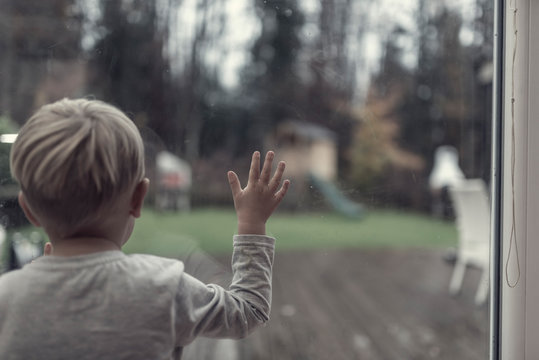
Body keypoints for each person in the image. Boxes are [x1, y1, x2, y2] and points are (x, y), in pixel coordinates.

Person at [0, 98, 290, 360]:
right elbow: (249, 311)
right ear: (138, 199)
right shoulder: (164, 287)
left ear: (28, 209)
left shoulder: (7, 297)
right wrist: (252, 223)